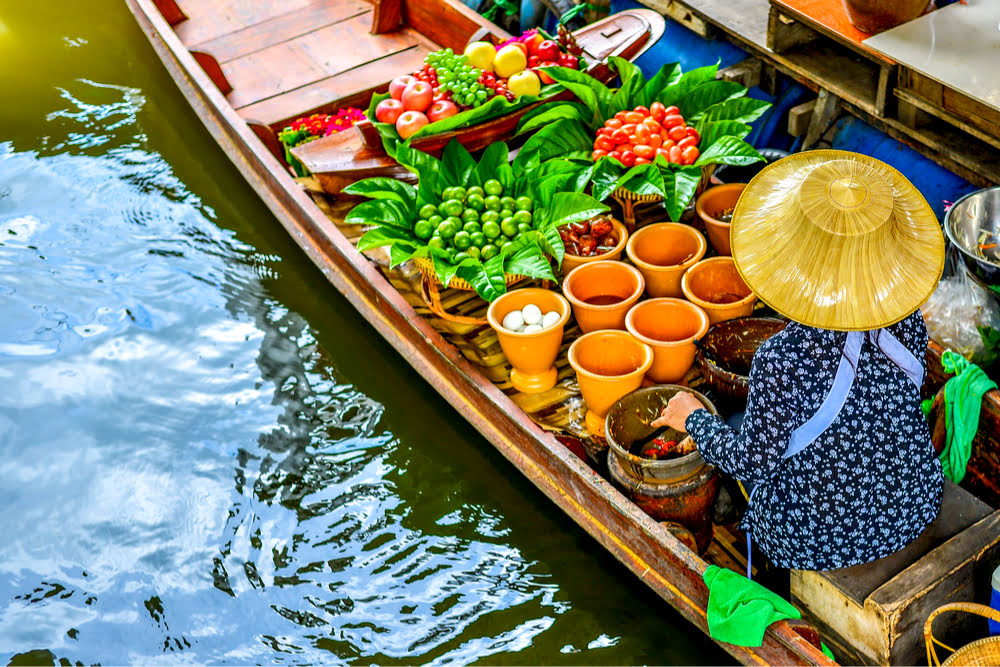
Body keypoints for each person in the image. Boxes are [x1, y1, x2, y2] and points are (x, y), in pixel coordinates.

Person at [654, 151, 945, 571]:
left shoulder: (780, 358)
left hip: (819, 541)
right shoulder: (907, 321)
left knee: (734, 430)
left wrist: (693, 418)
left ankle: (764, 566)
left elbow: (753, 461)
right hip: (912, 504)